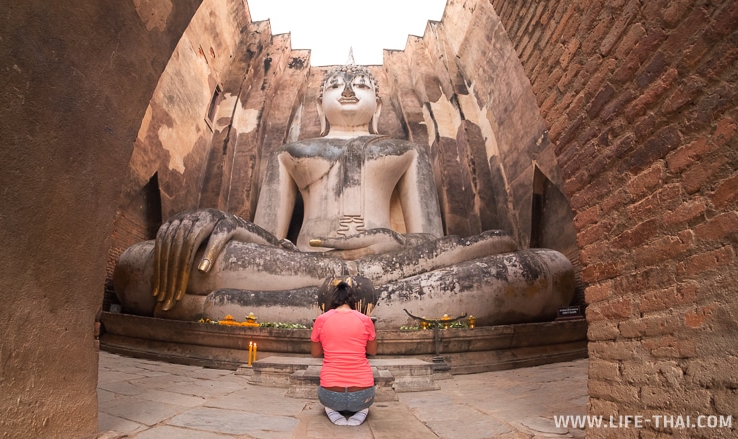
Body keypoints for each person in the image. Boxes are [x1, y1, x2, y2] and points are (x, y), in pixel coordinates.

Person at [113, 62, 574, 327]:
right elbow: (270, 238)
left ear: (377, 101)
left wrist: (387, 241)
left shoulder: (405, 151)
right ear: (319, 103)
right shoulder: (292, 152)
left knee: (543, 267)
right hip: (300, 265)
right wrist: (225, 223)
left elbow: (430, 240)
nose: (349, 90)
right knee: (139, 266)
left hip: (390, 265)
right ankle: (373, 311)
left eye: (361, 85)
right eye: (336, 85)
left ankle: (237, 310)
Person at [310, 277, 377, 426]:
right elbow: (372, 351)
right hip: (362, 396)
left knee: (325, 393)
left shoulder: (321, 320)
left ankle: (332, 411)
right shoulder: (365, 320)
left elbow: (315, 353)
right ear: (353, 300)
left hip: (331, 396)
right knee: (366, 398)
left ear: (332, 300)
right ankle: (361, 411)